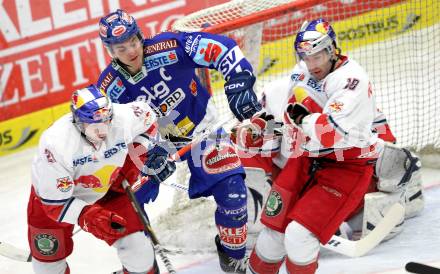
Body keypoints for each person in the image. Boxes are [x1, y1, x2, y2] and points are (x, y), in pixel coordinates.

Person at [240, 19, 423, 274]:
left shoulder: (352, 81)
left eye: (318, 56)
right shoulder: (301, 73)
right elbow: (282, 116)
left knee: (298, 237)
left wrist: (304, 119)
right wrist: (260, 127)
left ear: (332, 49)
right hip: (304, 160)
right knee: (272, 237)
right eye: (306, 57)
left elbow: (329, 134)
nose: (312, 64)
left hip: (344, 168)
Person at [96, 9, 262, 273]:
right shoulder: (109, 88)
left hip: (201, 131)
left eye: (133, 41)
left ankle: (232, 256)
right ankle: (141, 267)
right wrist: (146, 153)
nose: (130, 51)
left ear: (140, 36)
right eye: (120, 48)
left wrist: (239, 81)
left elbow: (223, 48)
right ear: (110, 51)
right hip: (156, 147)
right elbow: (112, 137)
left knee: (233, 193)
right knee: (124, 203)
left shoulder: (169, 46)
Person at [27, 84, 176, 274]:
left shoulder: (124, 117)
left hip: (109, 189)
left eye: (106, 120)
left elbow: (150, 121)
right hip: (54, 201)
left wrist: (134, 157)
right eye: (94, 124)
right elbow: (54, 204)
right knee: (48, 267)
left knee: (138, 251)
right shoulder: (56, 144)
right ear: (78, 121)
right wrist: (87, 216)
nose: (103, 131)